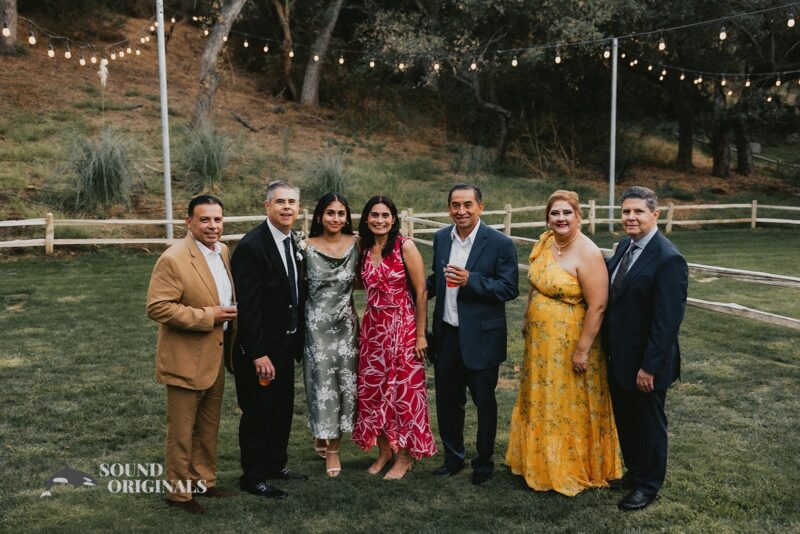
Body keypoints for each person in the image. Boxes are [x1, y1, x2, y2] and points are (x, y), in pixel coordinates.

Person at [505, 190, 622, 496]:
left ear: (578, 216)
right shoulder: (545, 242)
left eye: (566, 213)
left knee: (565, 403)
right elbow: (534, 283)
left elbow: (598, 305)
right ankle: (536, 461)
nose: (560, 219)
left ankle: (567, 466)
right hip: (540, 344)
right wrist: (527, 318)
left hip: (572, 343)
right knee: (541, 399)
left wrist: (582, 349)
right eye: (555, 213)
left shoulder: (588, 252)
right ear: (548, 218)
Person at [146, 194, 238, 515]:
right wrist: (208, 316)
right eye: (204, 220)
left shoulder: (223, 251)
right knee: (182, 432)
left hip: (215, 357)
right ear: (189, 222)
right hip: (185, 359)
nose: (212, 226)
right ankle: (178, 494)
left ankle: (204, 480)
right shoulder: (173, 258)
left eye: (217, 219)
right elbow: (157, 307)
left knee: (208, 426)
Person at [427, 183, 519, 486]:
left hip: (482, 338)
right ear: (449, 208)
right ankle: (453, 458)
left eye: (467, 205)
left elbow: (508, 288)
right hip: (447, 336)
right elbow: (433, 281)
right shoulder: (441, 238)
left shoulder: (499, 243)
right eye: (455, 205)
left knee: (484, 403)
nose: (461, 211)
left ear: (480, 206)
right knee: (448, 403)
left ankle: (483, 462)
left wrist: (472, 280)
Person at [602, 186, 688, 512]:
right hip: (619, 356)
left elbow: (667, 322)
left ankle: (649, 486)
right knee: (627, 419)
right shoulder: (625, 246)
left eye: (638, 211)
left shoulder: (668, 259)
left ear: (655, 214)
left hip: (648, 363)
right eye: (626, 211)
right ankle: (635, 473)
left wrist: (649, 366)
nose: (631, 217)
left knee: (650, 425)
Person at [231, 180, 308, 500]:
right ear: (267, 206)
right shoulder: (252, 247)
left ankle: (276, 464)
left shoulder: (293, 242)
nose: (287, 207)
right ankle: (254, 475)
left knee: (282, 409)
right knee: (258, 412)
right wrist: (258, 353)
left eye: (292, 202)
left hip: (285, 345)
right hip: (260, 349)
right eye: (280, 202)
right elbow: (247, 307)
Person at [352, 195, 436, 480]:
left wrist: (421, 335)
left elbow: (421, 290)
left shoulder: (405, 246)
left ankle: (405, 456)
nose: (379, 220)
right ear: (366, 218)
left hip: (403, 326)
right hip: (373, 329)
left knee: (404, 392)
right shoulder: (363, 247)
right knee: (373, 392)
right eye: (374, 215)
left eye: (385, 215)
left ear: (393, 219)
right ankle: (384, 450)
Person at [303, 192, 359, 478]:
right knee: (322, 385)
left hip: (346, 327)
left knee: (344, 385)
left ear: (347, 216)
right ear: (319, 216)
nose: (336, 218)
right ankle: (321, 431)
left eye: (341, 213)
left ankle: (334, 448)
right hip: (316, 328)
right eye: (330, 213)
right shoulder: (305, 247)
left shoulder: (356, 244)